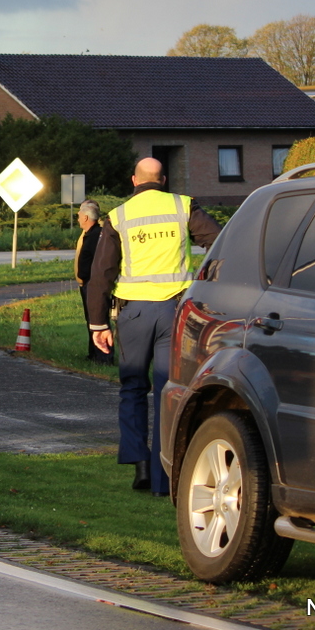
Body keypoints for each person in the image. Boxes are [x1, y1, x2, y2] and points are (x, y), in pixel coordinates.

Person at [87, 158, 220, 496]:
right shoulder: (183, 206)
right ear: (163, 179)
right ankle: (164, 477)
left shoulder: (118, 217)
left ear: (135, 180)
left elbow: (101, 274)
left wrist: (97, 323)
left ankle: (140, 465)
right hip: (174, 311)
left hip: (133, 314)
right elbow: (219, 244)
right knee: (168, 390)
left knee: (132, 387)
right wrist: (208, 283)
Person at [74, 200, 111, 364]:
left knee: (98, 320)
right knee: (91, 320)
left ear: (87, 217)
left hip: (94, 284)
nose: (78, 218)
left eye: (80, 215)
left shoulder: (97, 235)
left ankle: (103, 357)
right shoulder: (89, 234)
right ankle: (94, 354)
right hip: (88, 283)